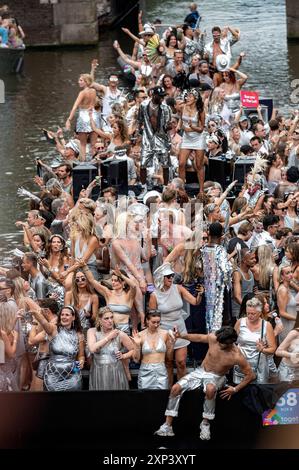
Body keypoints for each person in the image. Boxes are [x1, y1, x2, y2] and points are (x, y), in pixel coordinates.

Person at [155, 326, 255, 440]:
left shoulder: (236, 355)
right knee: (175, 388)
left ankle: (205, 423)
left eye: (222, 344)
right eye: (218, 341)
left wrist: (235, 389)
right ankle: (167, 425)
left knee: (210, 389)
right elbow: (198, 337)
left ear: (230, 343)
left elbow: (251, 375)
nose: (219, 344)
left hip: (217, 376)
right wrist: (181, 336)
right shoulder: (214, 338)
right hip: (200, 372)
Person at [149, 263, 203, 385]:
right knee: (168, 363)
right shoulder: (154, 295)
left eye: (172, 275)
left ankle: (181, 389)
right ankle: (168, 391)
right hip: (164, 331)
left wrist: (199, 294)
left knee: (181, 362)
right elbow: (152, 318)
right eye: (168, 276)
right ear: (161, 278)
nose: (171, 278)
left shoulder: (178, 288)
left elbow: (195, 302)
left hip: (180, 329)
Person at [29, 303, 84, 391]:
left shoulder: (79, 334)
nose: (64, 317)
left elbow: (81, 356)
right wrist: (36, 314)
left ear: (73, 318)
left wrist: (81, 362)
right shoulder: (54, 330)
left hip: (73, 375)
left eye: (67, 315)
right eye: (62, 314)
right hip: (53, 375)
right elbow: (44, 323)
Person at [87, 306, 134, 390]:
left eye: (111, 317)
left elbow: (133, 350)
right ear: (100, 320)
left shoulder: (120, 334)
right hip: (98, 371)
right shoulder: (92, 331)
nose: (110, 321)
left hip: (116, 371)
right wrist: (109, 337)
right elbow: (92, 349)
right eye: (106, 318)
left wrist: (124, 356)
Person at [233, 297, 276, 384]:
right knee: (240, 392)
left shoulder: (267, 325)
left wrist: (263, 350)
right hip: (241, 365)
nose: (249, 316)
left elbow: (273, 349)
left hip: (259, 366)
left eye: (253, 314)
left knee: (257, 393)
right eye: (248, 313)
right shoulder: (240, 322)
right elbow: (231, 342)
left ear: (260, 313)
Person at [138, 86, 172, 188]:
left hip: (162, 138)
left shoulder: (166, 108)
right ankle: (143, 187)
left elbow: (167, 124)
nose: (162, 98)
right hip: (147, 138)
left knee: (165, 164)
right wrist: (140, 131)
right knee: (143, 164)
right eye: (160, 96)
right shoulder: (143, 105)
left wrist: (169, 127)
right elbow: (140, 120)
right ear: (153, 95)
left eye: (163, 96)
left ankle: (165, 187)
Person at [132, 310, 174, 389]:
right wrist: (137, 345)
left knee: (161, 398)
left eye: (158, 322)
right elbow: (136, 360)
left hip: (161, 370)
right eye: (153, 322)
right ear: (147, 321)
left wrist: (172, 344)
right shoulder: (140, 335)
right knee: (145, 398)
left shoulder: (165, 334)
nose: (156, 325)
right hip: (145, 370)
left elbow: (169, 358)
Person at [65, 74, 100, 160]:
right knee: (93, 144)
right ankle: (94, 161)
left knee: (83, 144)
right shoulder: (94, 91)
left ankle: (83, 163)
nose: (79, 82)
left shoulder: (82, 93)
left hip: (84, 116)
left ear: (86, 82)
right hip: (93, 115)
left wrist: (69, 120)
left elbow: (75, 107)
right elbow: (95, 104)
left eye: (81, 80)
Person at [178, 89, 205, 193]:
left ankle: (201, 190)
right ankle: (181, 189)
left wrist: (192, 127)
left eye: (190, 96)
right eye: (186, 96)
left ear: (195, 98)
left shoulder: (200, 110)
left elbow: (202, 128)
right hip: (186, 137)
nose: (187, 98)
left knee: (198, 165)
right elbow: (181, 118)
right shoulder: (182, 107)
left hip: (198, 138)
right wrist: (180, 127)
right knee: (181, 163)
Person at [0, 300, 19, 391]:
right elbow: (10, 354)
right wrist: (15, 339)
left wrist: (14, 320)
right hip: (3, 372)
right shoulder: (2, 334)